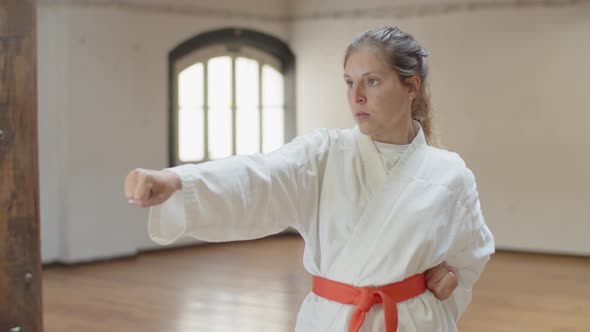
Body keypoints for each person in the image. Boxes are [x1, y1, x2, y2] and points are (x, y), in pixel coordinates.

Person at [125, 26, 494, 331]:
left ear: (411, 86)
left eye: (372, 82)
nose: (357, 96)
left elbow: (471, 251)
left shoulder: (449, 172)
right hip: (332, 319)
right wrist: (179, 182)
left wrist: (449, 278)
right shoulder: (323, 154)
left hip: (412, 322)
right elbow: (260, 176)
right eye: (349, 82)